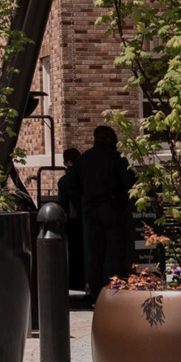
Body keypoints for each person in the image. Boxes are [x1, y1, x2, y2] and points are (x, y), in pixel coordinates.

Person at [76, 124, 135, 304]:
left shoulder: (83, 160)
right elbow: (130, 182)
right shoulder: (117, 159)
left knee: (96, 254)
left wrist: (82, 203)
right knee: (116, 252)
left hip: (91, 210)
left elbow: (71, 184)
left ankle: (95, 294)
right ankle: (117, 291)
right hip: (112, 209)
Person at [56, 147, 88, 295]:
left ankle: (76, 281)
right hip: (88, 218)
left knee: (75, 254)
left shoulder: (65, 181)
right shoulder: (87, 177)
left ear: (67, 162)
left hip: (73, 222)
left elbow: (62, 203)